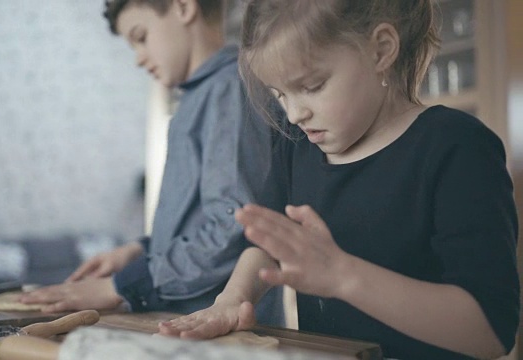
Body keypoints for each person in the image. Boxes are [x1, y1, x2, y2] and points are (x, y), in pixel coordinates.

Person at [157, 1, 520, 359]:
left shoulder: (456, 146)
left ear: (381, 50)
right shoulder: (297, 146)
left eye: (312, 85)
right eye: (280, 94)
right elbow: (269, 243)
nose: (295, 113)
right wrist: (232, 300)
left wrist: (344, 276)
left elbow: (490, 330)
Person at [19, 0, 285, 327]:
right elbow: (200, 219)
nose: (139, 58)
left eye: (141, 36)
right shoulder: (195, 100)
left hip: (218, 329)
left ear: (184, 7)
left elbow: (234, 228)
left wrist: (123, 285)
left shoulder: (228, 89)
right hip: (182, 323)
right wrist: (137, 251)